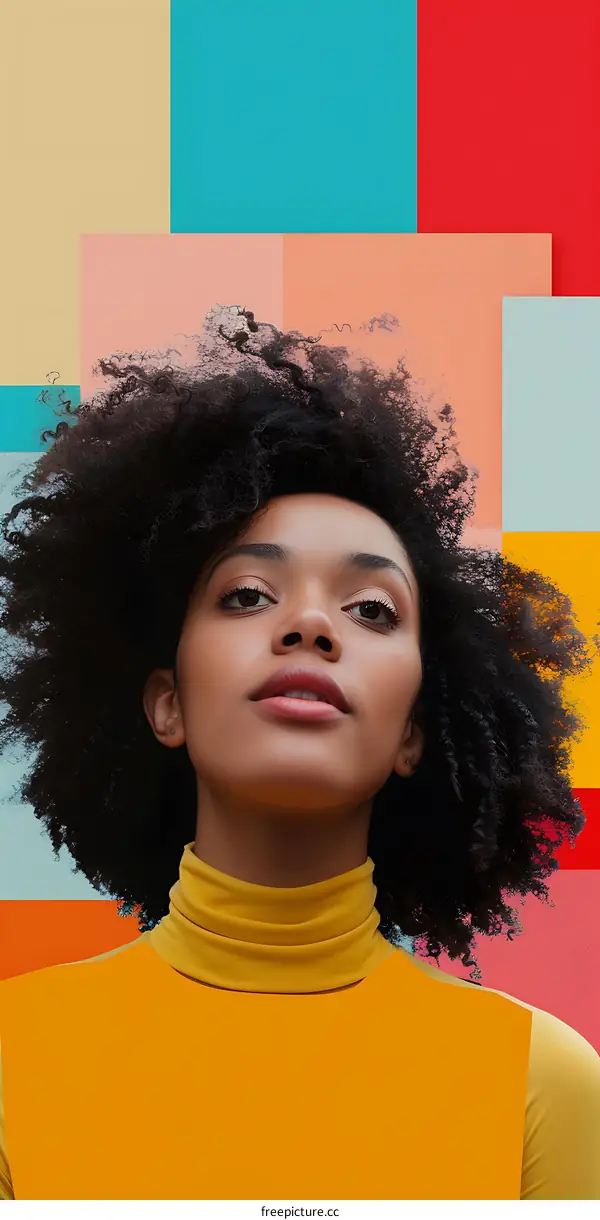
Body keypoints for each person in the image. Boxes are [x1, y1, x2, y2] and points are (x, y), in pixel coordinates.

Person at [0, 305, 598, 1201]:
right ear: (167, 703)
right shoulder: (12, 1059)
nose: (312, 623)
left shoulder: (540, 1083)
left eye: (371, 610)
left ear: (412, 732)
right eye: (247, 594)